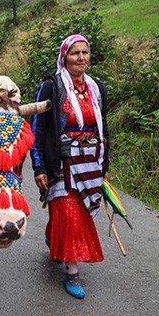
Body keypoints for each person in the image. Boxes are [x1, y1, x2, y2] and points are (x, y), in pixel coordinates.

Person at [30, 34, 110, 300]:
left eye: (85, 52)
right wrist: (39, 167)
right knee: (68, 211)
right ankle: (72, 271)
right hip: (60, 160)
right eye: (75, 53)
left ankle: (54, 236)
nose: (81, 58)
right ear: (64, 57)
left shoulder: (96, 88)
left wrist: (105, 163)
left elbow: (104, 128)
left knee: (81, 210)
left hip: (90, 161)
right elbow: (37, 129)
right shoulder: (52, 86)